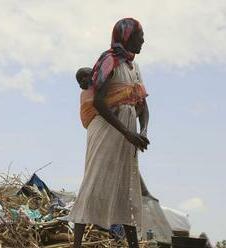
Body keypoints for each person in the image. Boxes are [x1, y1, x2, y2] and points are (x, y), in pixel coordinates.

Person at [69, 18, 150, 248]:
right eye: (139, 35)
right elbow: (99, 102)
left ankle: (133, 245)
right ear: (126, 36)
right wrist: (127, 132)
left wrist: (142, 130)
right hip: (107, 128)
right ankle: (76, 244)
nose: (143, 40)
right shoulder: (109, 60)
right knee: (94, 182)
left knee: (127, 185)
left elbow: (142, 106)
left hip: (128, 132)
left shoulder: (135, 69)